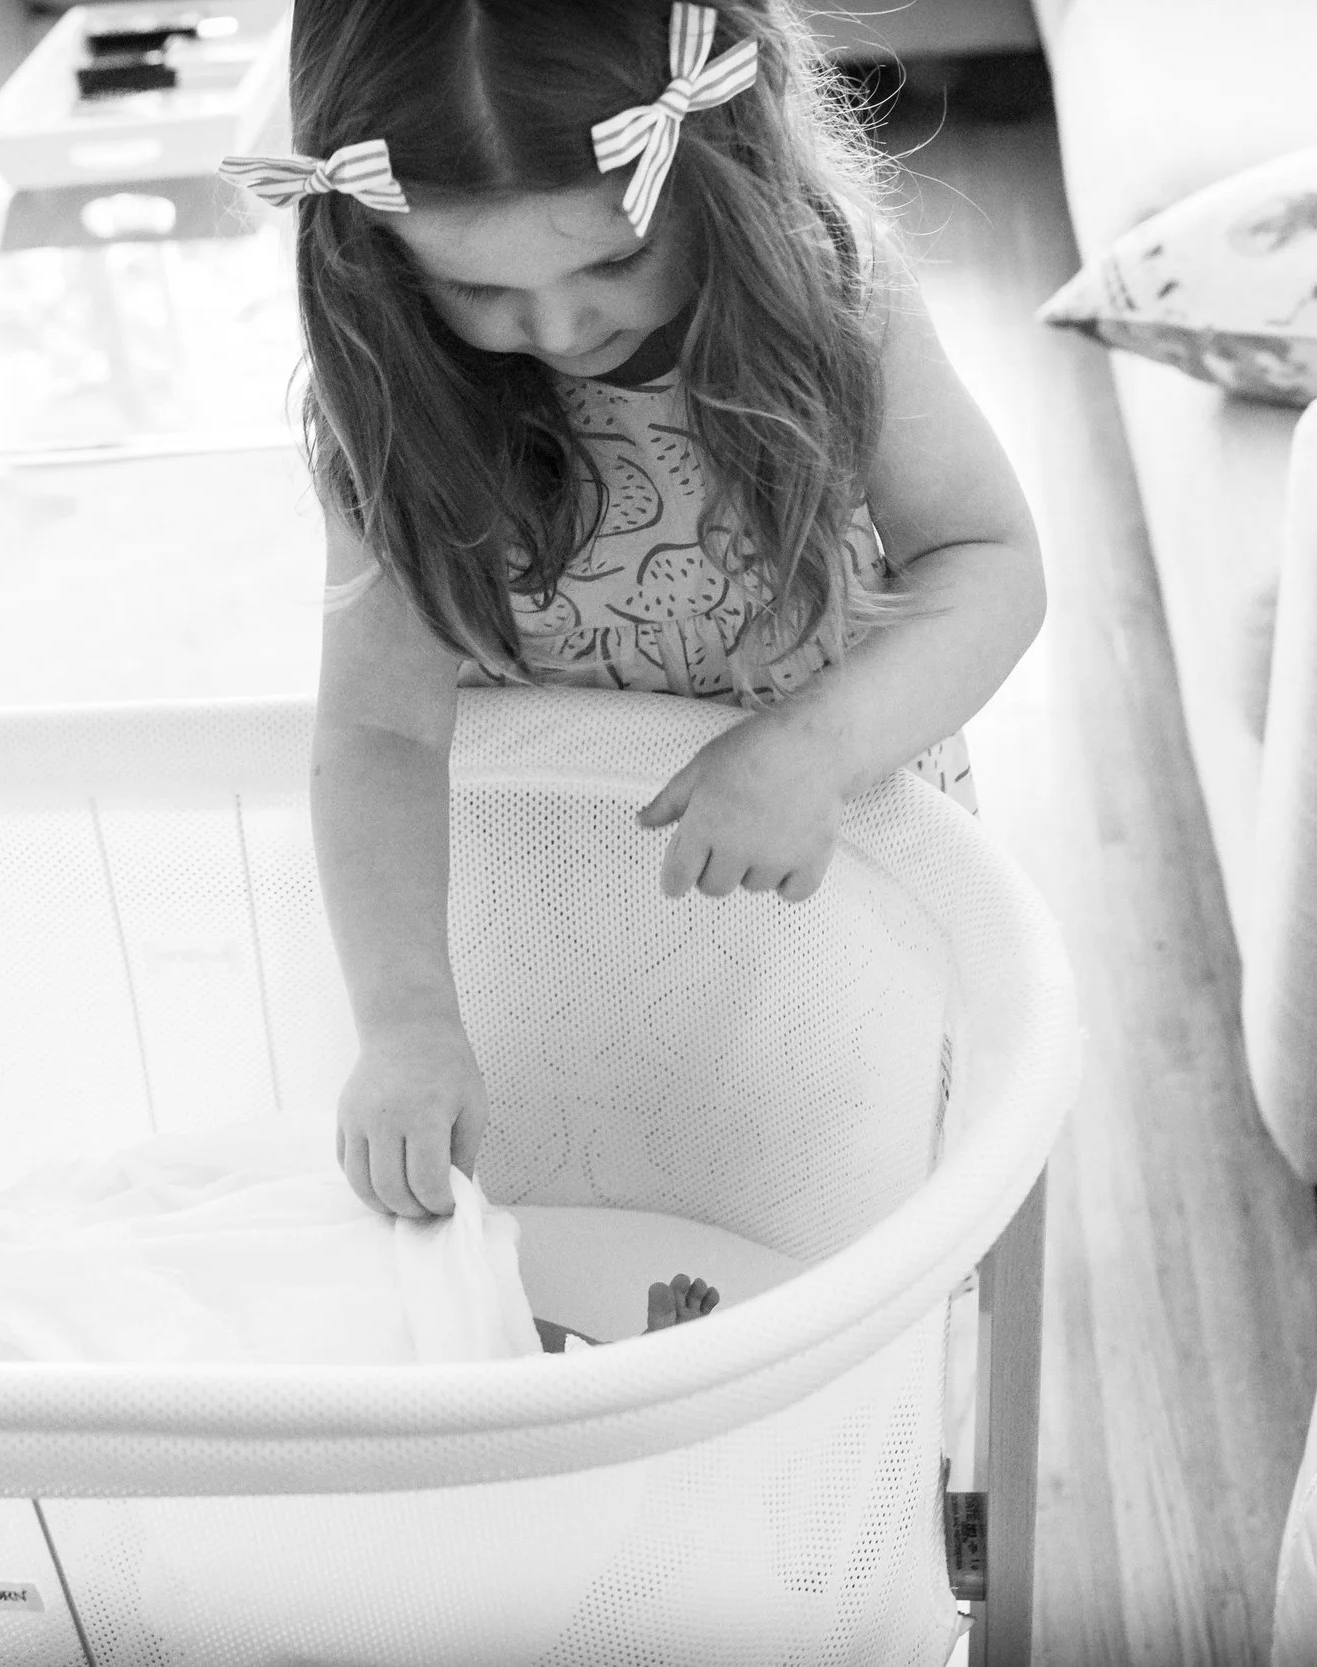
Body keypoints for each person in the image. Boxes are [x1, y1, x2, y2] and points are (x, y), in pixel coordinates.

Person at [218, 0, 1044, 1221]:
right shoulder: (399, 390)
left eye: (611, 260)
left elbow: (988, 561)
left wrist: (810, 747)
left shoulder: (835, 298)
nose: (558, 328)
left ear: (728, 164)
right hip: (553, 897)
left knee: (827, 1187)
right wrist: (405, 1024)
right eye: (475, 285)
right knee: (591, 1186)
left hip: (820, 858)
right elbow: (379, 733)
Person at [0, 1124, 720, 1361]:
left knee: (392, 1275)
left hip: (183, 1273)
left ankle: (611, 1356)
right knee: (386, 1335)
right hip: (196, 1359)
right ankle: (627, 1379)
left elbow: (59, 1237)